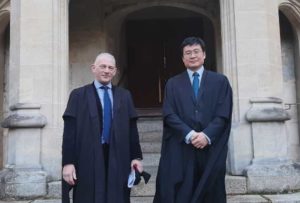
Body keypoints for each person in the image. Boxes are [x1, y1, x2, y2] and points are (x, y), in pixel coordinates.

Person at [153, 37, 233, 203]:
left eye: (196, 51)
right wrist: (189, 134)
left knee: (211, 192)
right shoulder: (173, 84)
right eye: (187, 53)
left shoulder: (220, 82)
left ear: (204, 55)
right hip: (182, 148)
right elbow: (169, 114)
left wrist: (206, 135)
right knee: (182, 193)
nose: (192, 56)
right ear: (183, 59)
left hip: (211, 147)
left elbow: (223, 113)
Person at [62, 53, 143, 203]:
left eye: (110, 67)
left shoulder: (124, 96)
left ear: (115, 71)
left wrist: (136, 157)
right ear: (93, 68)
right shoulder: (78, 95)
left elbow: (132, 130)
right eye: (102, 66)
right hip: (87, 158)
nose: (106, 70)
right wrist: (68, 163)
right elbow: (69, 133)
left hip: (119, 157)